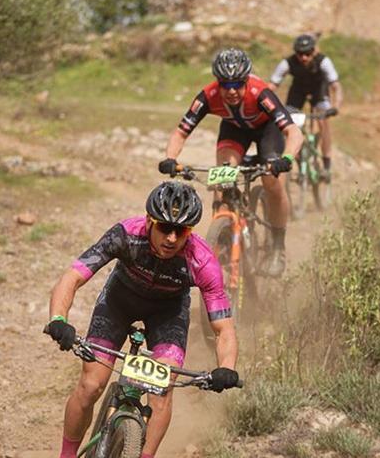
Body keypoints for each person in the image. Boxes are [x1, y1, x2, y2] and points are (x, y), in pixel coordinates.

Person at [44, 181, 240, 458]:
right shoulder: (125, 234)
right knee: (90, 386)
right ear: (149, 221)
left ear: (190, 231)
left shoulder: (202, 260)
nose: (171, 238)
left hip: (168, 314)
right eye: (164, 227)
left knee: (162, 390)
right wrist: (58, 319)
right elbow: (72, 277)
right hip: (119, 302)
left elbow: (223, 329)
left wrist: (227, 368)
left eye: (180, 230)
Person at [159, 48, 303, 277]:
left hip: (268, 131)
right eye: (226, 85)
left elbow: (294, 132)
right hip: (234, 131)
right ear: (219, 83)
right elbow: (181, 133)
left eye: (238, 84)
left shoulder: (261, 93)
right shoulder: (208, 96)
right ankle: (222, 234)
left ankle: (277, 246)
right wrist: (170, 158)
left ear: (246, 79)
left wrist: (285, 159)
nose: (232, 90)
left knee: (271, 182)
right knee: (223, 179)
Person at [267, 33, 343, 181]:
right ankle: (300, 158)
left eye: (308, 54)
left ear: (314, 51)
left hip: (319, 91)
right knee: (287, 125)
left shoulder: (324, 61)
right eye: (300, 54)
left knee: (322, 120)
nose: (304, 58)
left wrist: (335, 106)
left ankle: (327, 165)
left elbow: (336, 86)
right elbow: (271, 86)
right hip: (298, 91)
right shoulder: (287, 63)